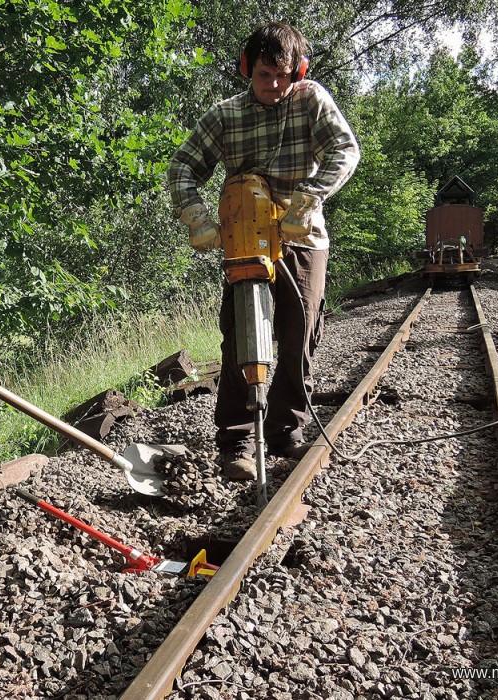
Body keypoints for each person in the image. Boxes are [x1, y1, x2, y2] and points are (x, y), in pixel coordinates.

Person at [168, 22, 360, 480]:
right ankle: (235, 441)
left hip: (299, 234)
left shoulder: (310, 99)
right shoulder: (226, 115)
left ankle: (283, 431)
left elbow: (344, 150)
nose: (273, 86)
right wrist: (196, 216)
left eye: (282, 75)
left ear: (299, 70)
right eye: (262, 75)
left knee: (300, 331)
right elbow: (182, 167)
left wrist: (310, 197)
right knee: (241, 339)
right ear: (245, 70)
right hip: (246, 236)